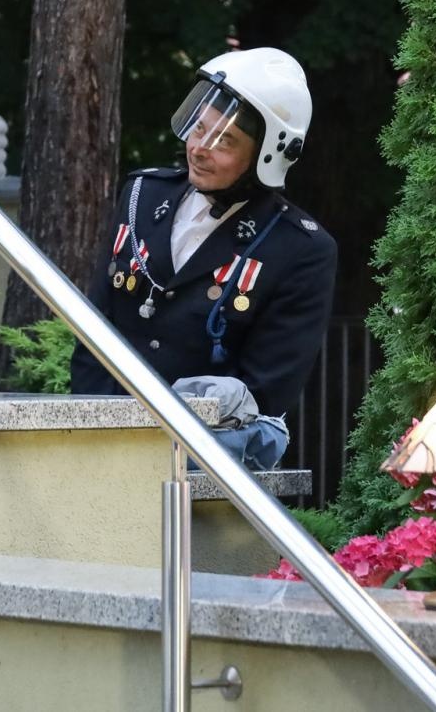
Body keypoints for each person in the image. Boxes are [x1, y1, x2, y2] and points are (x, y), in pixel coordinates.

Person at [68, 47, 337, 470]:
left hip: (206, 457)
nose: (199, 148)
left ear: (266, 155)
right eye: (198, 128)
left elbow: (269, 388)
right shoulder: (142, 195)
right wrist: (95, 436)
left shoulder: (299, 249)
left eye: (224, 141)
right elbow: (94, 335)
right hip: (104, 444)